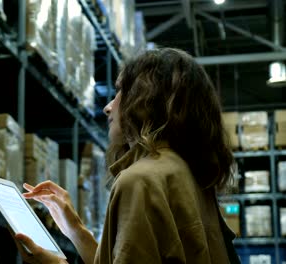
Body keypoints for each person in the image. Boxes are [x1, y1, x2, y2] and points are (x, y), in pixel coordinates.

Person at [14, 48, 239, 264]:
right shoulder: (186, 174)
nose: (108, 107)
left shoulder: (141, 180)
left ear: (146, 100)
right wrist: (75, 229)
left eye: (121, 91)